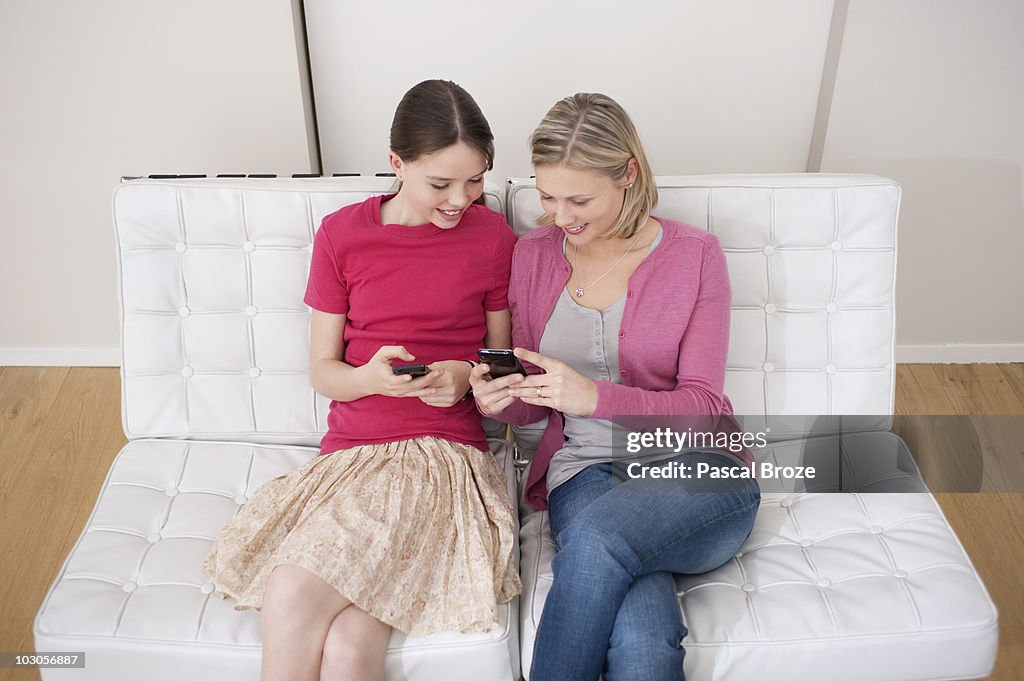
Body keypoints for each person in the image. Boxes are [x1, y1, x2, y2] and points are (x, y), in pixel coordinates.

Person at [203, 79, 521, 681]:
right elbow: (324, 372)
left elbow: (503, 360)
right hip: (351, 459)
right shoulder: (342, 235)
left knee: (293, 593)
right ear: (396, 164)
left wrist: (466, 376)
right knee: (349, 646)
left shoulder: (492, 237)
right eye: (440, 184)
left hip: (442, 458)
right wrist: (372, 379)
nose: (460, 199)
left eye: (475, 180)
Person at [469, 93, 761, 681]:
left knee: (600, 541)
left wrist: (595, 398)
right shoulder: (531, 256)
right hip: (585, 475)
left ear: (628, 173)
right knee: (644, 643)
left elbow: (705, 405)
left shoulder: (694, 256)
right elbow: (528, 415)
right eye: (546, 196)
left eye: (579, 199)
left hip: (697, 471)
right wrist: (497, 397)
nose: (559, 216)